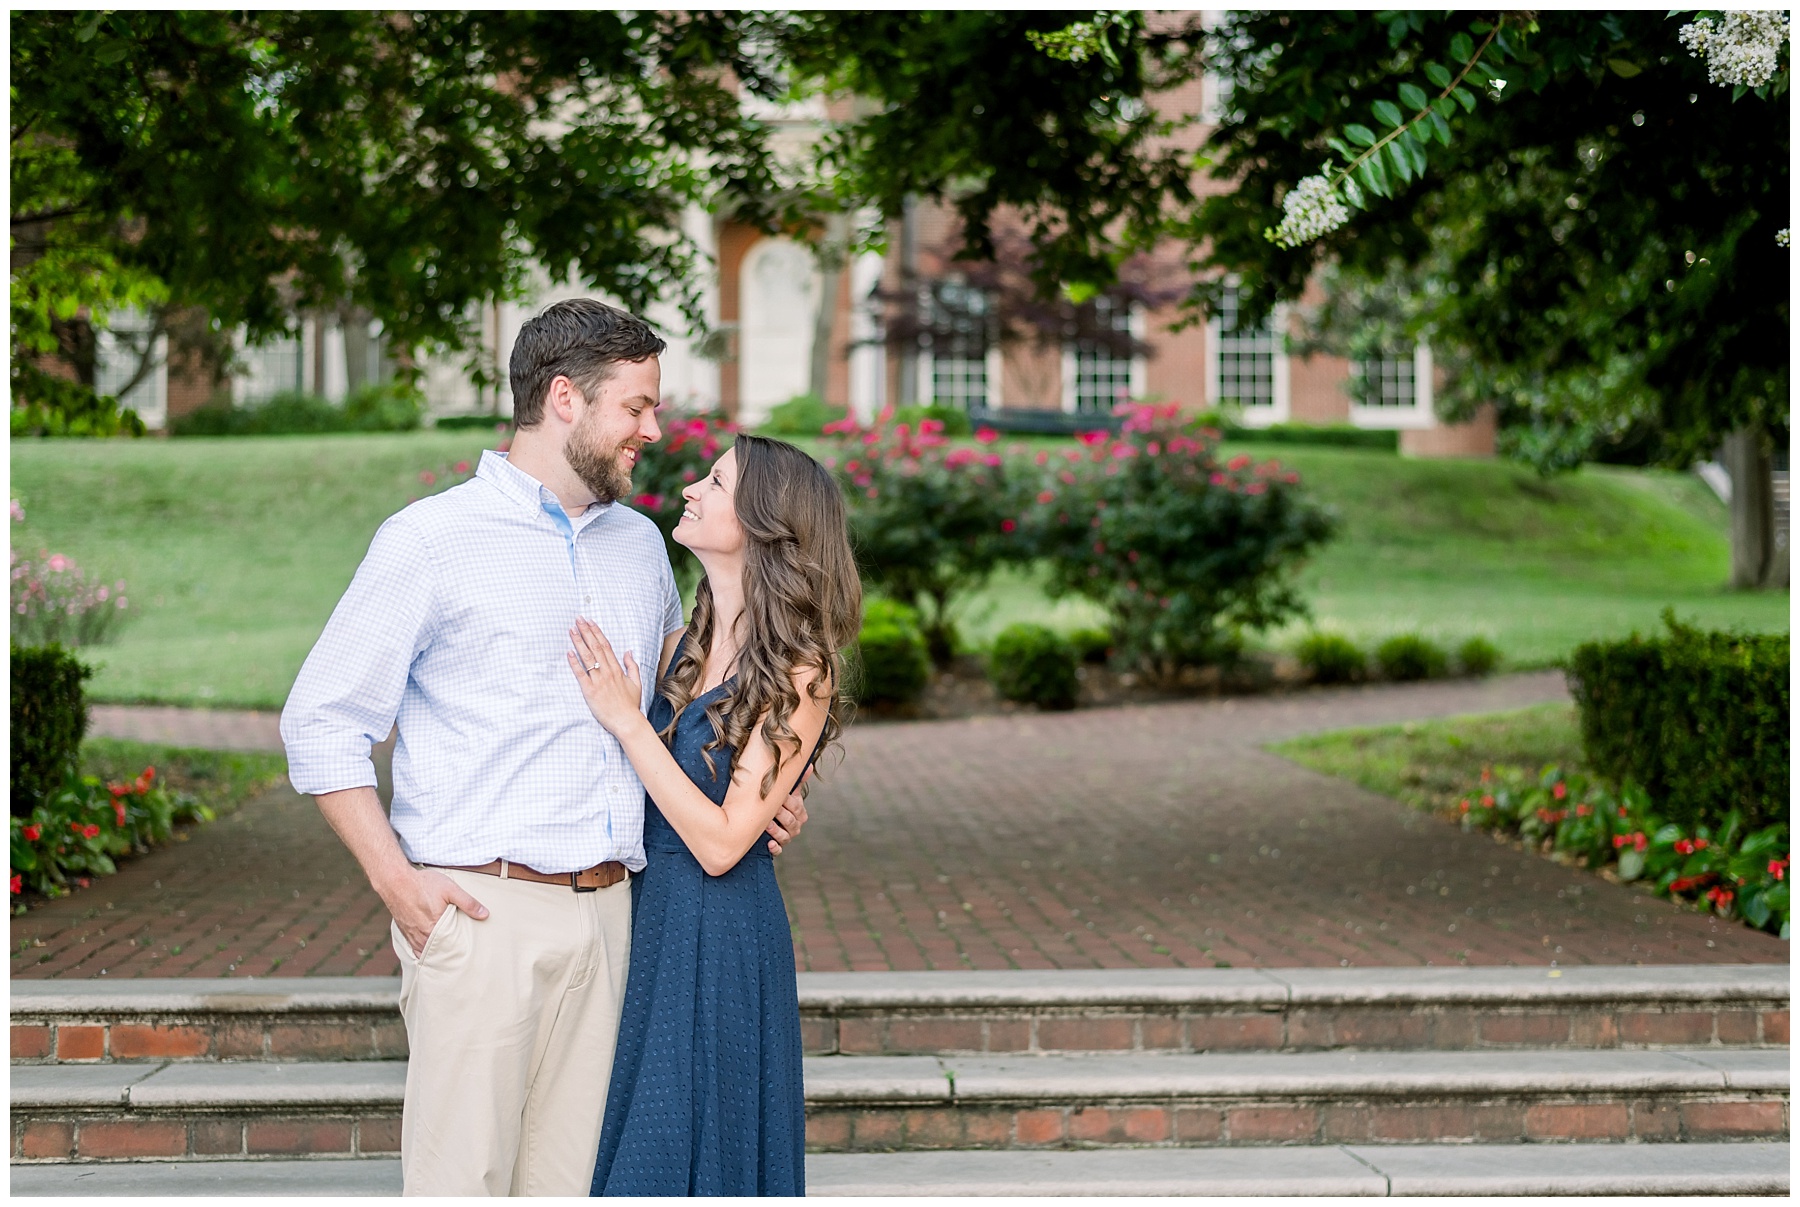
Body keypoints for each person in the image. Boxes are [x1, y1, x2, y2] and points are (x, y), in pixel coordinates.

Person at [279, 299, 808, 1197]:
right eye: (636, 406)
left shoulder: (639, 547)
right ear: (565, 397)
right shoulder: (432, 539)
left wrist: (762, 794)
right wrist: (397, 882)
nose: (653, 429)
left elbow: (684, 714)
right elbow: (321, 720)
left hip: (619, 922)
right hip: (483, 915)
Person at [569, 433, 860, 1197]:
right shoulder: (684, 643)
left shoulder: (802, 670)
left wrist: (627, 722)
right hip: (647, 914)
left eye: (717, 482)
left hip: (722, 930)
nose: (691, 489)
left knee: (677, 1150)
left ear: (765, 522)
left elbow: (725, 844)